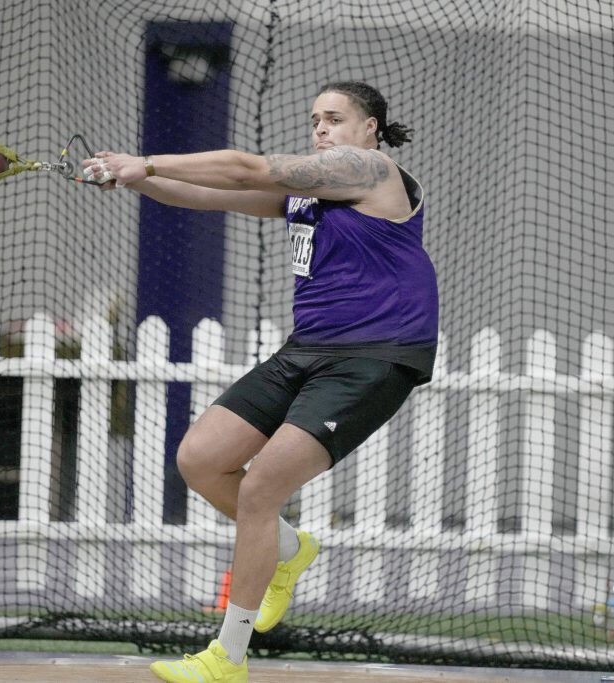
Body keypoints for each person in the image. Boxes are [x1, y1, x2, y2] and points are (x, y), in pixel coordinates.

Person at [85, 81, 438, 682]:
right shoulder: (311, 193)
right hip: (309, 349)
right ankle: (290, 549)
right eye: (315, 120)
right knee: (201, 459)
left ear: (371, 127)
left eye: (334, 119)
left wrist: (143, 159)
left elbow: (246, 167)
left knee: (259, 489)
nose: (321, 129)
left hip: (376, 355)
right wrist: (131, 180)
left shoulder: (369, 168)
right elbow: (212, 195)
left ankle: (228, 655)